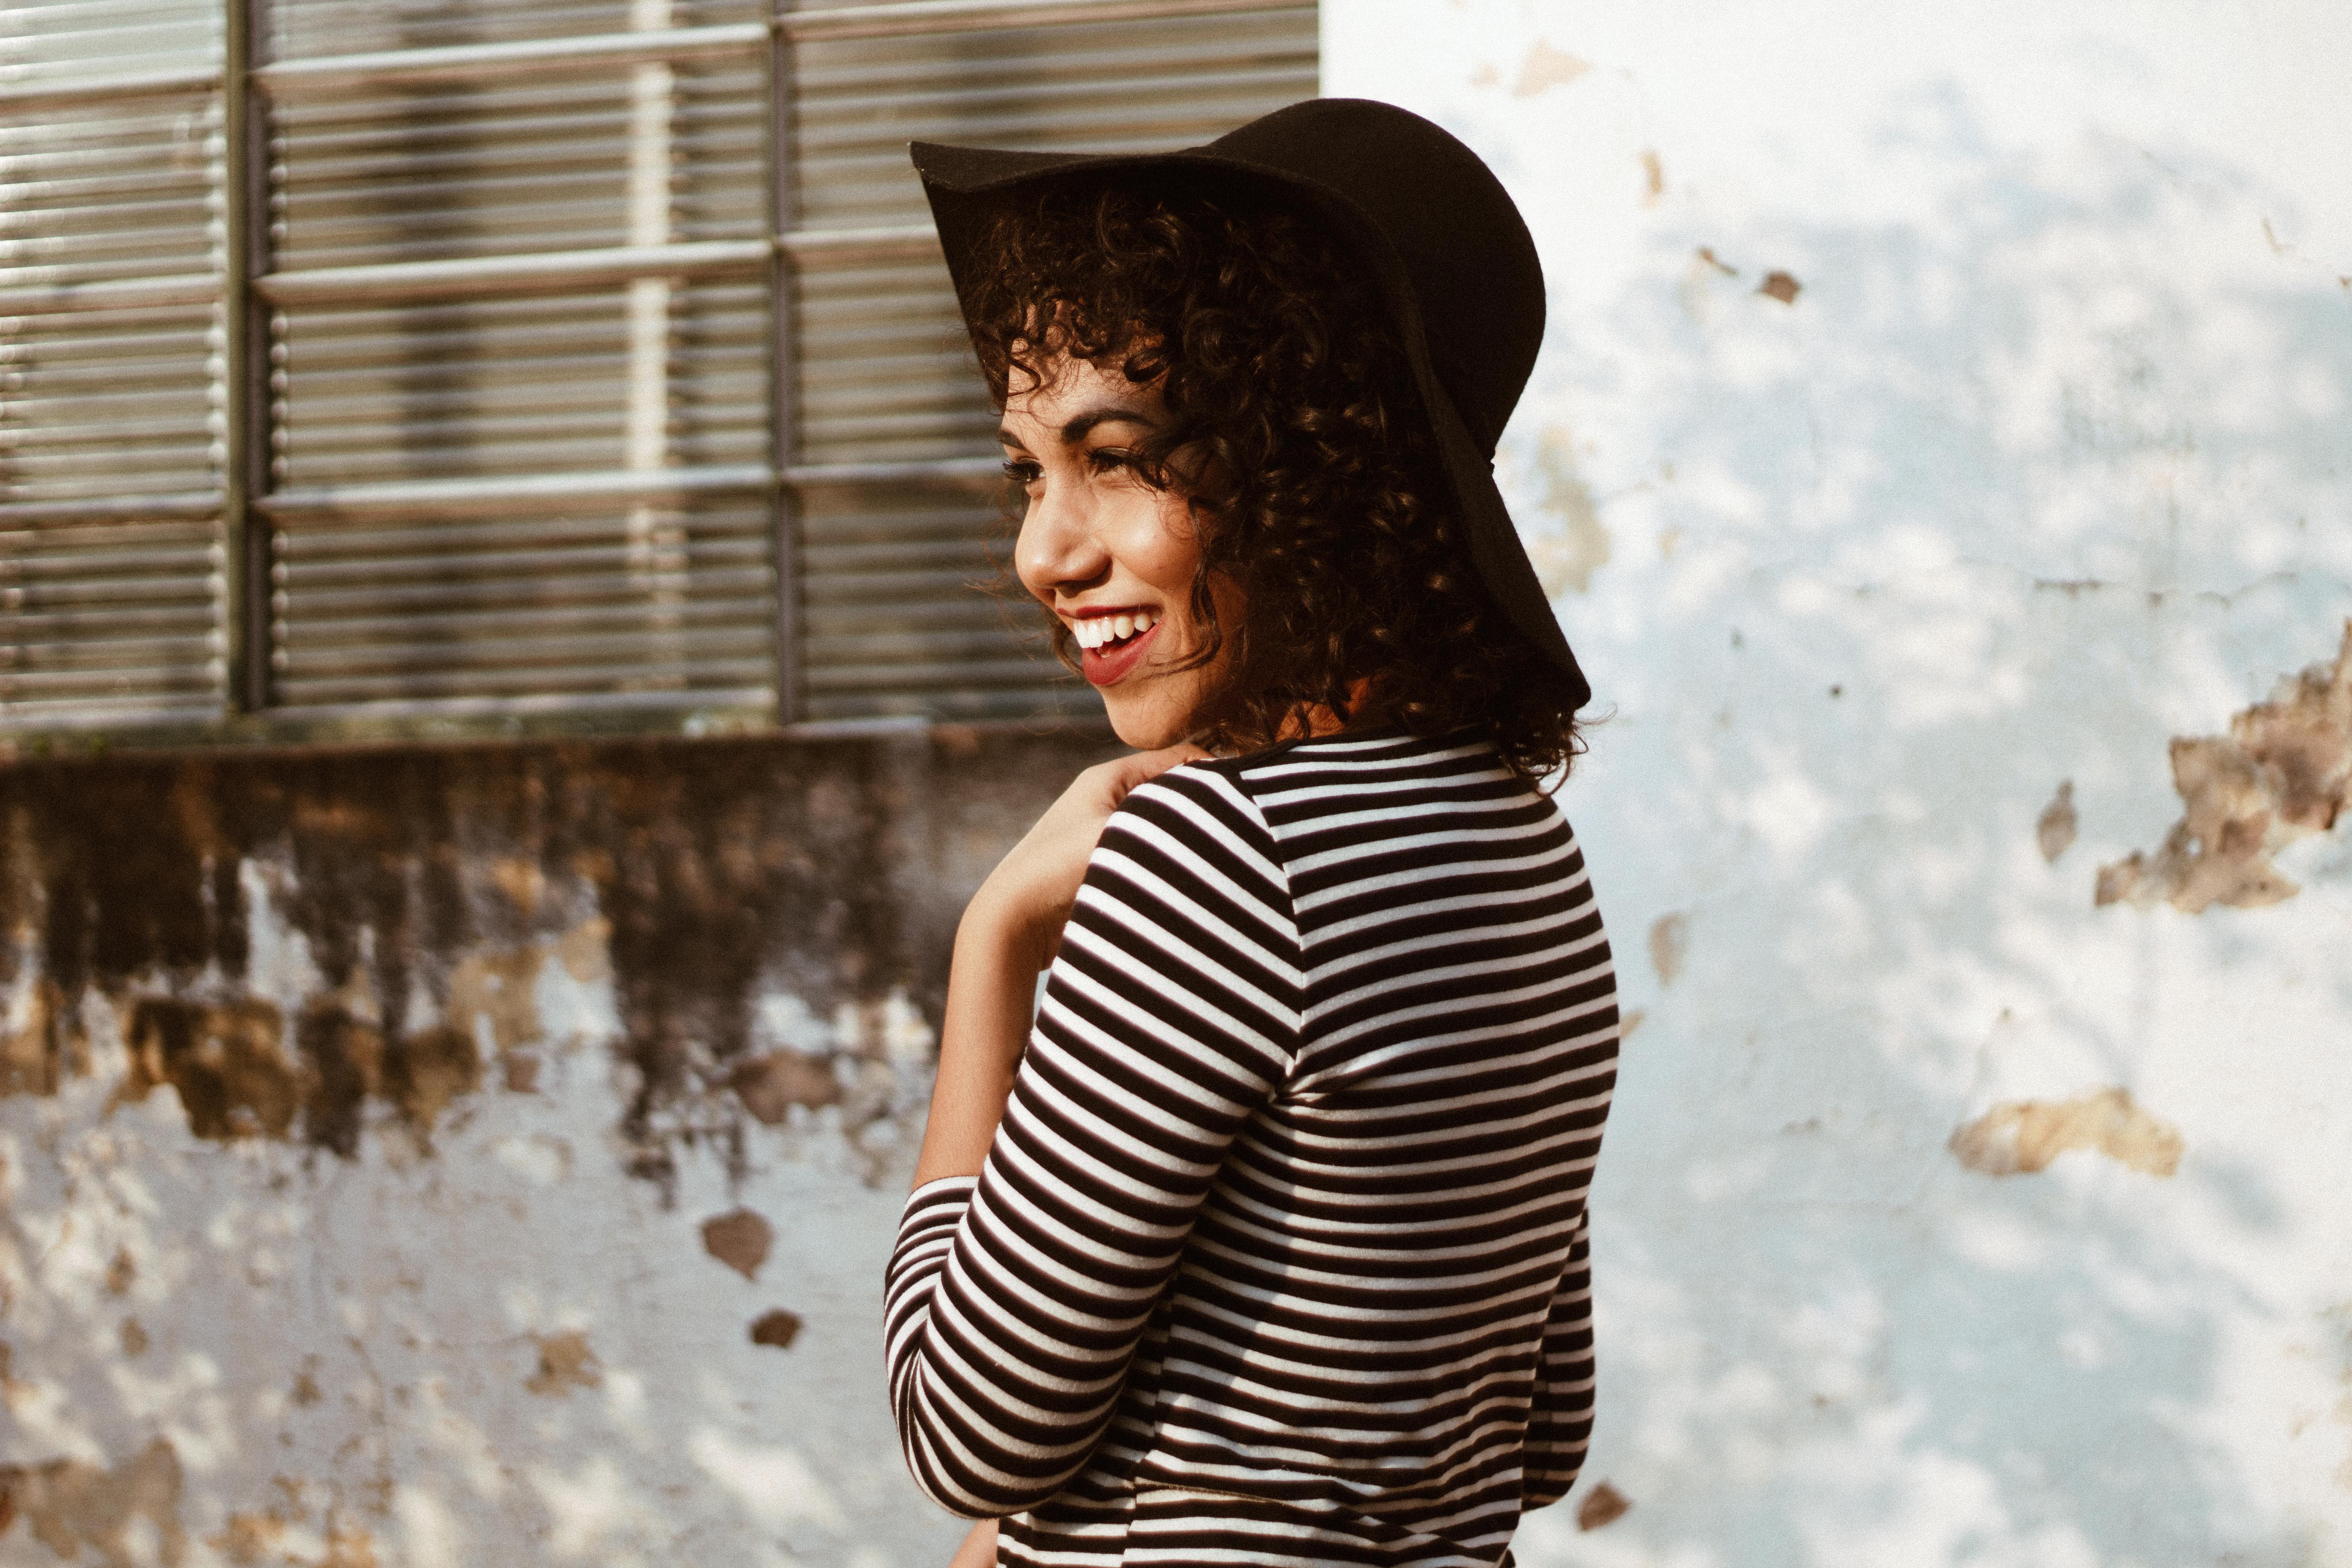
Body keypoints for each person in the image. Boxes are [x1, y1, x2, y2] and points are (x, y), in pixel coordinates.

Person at [883, 99, 1621, 1568]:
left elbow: (965, 1432)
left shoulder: (1217, 859)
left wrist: (994, 943)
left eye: (1117, 457)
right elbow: (1539, 1437)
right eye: (1030, 471)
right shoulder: (1520, 853)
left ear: (1316, 472)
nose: (1044, 552)